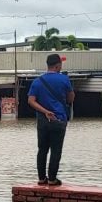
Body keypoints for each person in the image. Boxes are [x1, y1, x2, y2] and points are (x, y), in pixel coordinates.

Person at [27, 53, 75, 186]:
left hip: (43, 121)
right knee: (56, 150)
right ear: (57, 65)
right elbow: (70, 99)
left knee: (42, 149)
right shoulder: (64, 79)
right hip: (59, 120)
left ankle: (42, 179)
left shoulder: (37, 81)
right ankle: (53, 179)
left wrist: (45, 111)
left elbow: (31, 101)